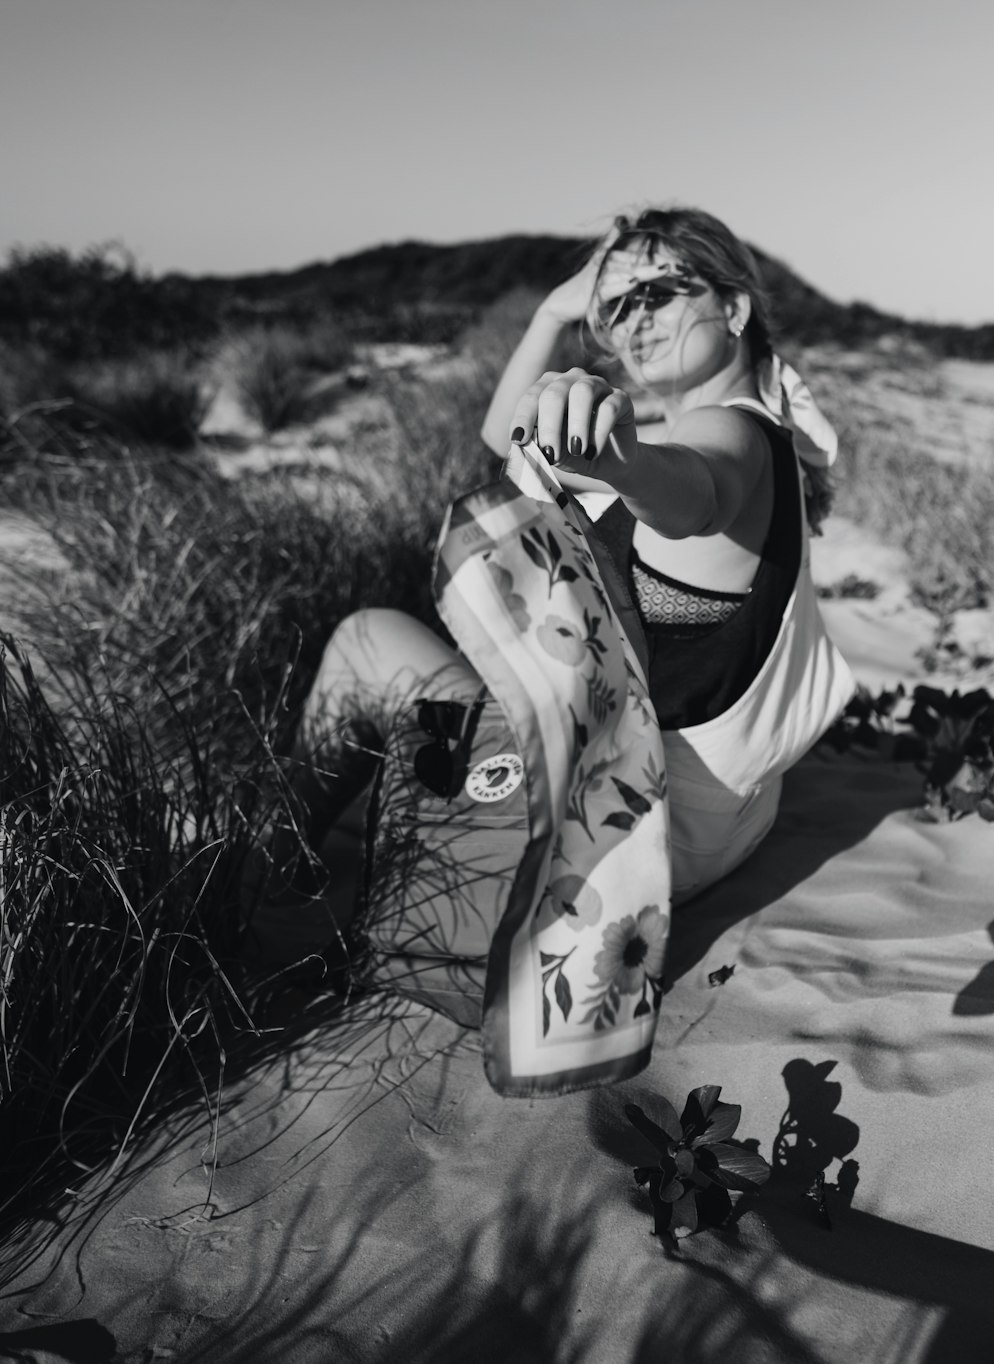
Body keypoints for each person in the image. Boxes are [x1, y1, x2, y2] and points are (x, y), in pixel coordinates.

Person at [247, 205, 853, 1024]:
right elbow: (508, 437)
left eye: (661, 293)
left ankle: (253, 869)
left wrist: (619, 457)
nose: (635, 321)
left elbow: (695, 491)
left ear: (734, 309)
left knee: (365, 640)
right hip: (712, 822)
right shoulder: (770, 435)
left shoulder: (729, 435)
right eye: (617, 307)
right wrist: (556, 312)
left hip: (632, 827)